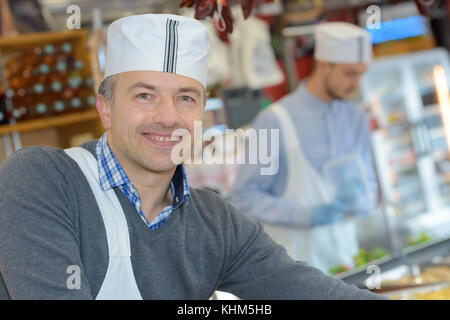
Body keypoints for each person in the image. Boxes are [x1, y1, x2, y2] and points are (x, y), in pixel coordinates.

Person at [0, 14, 384, 300]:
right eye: (144, 95)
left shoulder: (216, 223)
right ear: (106, 109)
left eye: (185, 97)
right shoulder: (42, 180)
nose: (167, 117)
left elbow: (314, 293)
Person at [228, 22, 379, 274]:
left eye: (361, 74)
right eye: (349, 73)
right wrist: (307, 215)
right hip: (295, 271)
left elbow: (369, 184)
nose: (356, 84)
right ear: (322, 65)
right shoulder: (272, 121)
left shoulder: (357, 119)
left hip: (349, 261)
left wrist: (363, 199)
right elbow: (245, 196)